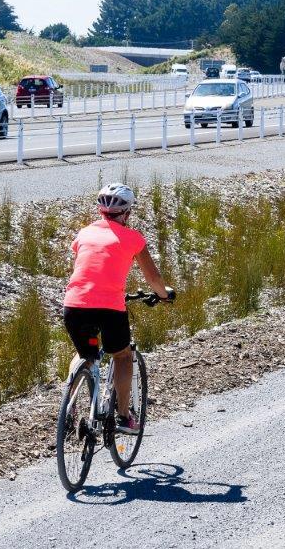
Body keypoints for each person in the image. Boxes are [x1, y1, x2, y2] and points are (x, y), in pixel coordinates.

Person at [63, 183, 173, 435]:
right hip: (109, 307)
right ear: (127, 213)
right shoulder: (133, 238)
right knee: (122, 355)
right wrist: (164, 296)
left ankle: (67, 406)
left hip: (74, 304)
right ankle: (123, 416)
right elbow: (153, 278)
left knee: (85, 353)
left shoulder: (84, 233)